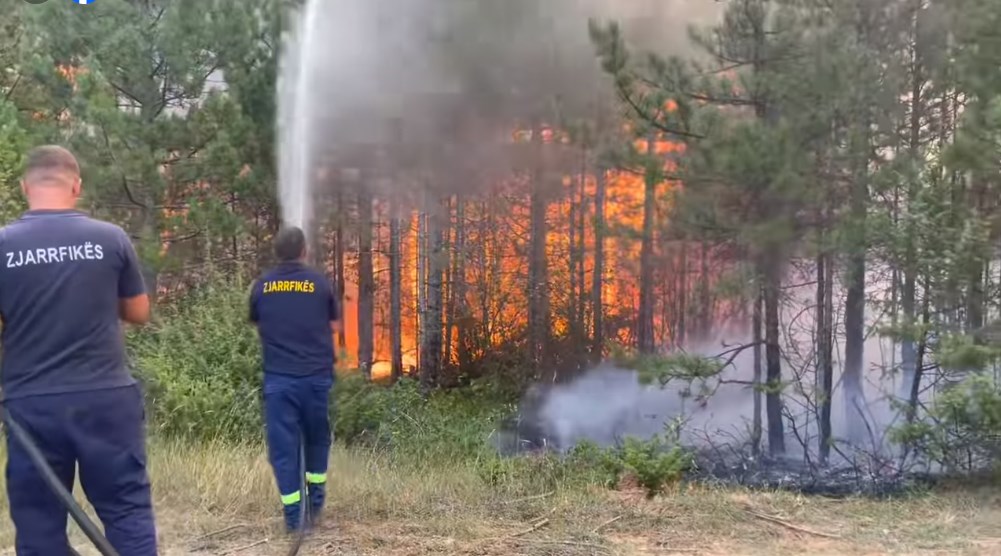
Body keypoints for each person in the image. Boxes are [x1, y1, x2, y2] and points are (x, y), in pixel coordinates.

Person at [0, 145, 157, 555]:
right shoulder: (110, 238)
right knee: (126, 511)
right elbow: (139, 312)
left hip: (31, 404)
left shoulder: (2, 245)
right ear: (76, 185)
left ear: (24, 187)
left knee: (39, 526)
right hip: (106, 398)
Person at [249, 226, 340, 532]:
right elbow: (334, 326)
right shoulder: (320, 284)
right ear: (304, 251)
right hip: (316, 380)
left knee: (284, 451)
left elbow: (257, 323)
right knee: (317, 441)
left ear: (277, 253)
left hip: (279, 382)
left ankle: (293, 520)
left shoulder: (262, 286)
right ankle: (314, 508)